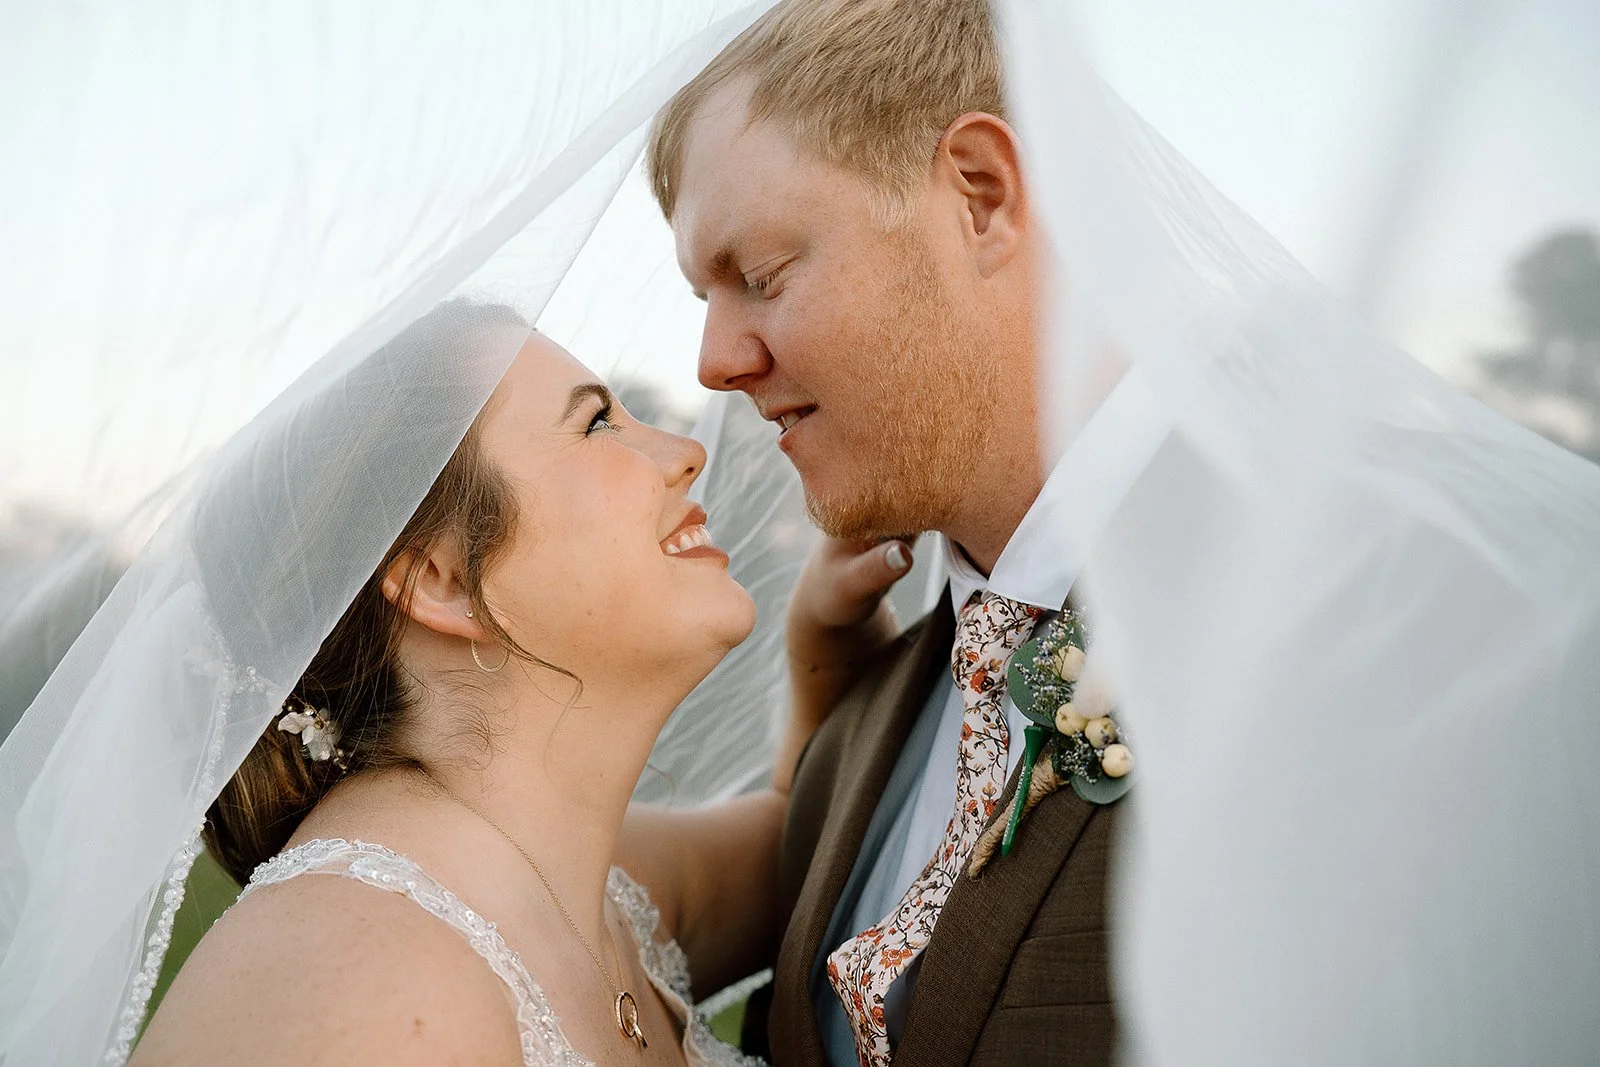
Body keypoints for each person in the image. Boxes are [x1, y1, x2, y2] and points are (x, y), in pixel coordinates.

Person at [131, 299, 909, 1066]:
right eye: (597, 422)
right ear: (441, 578)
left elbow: (809, 850)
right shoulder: (361, 996)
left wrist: (824, 655)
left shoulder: (577, 878)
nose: (683, 450)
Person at [646, 1, 1163, 1063]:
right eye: (704, 295)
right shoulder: (856, 727)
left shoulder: (1347, 614)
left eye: (761, 275)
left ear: (978, 196)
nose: (711, 363)